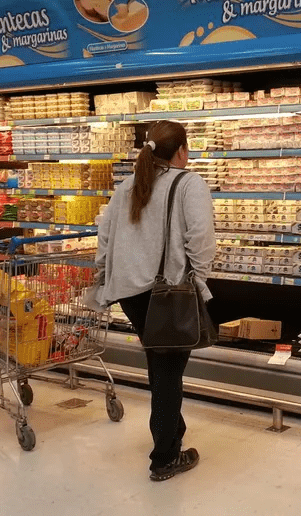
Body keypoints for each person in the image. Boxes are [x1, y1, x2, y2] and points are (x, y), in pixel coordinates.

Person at [94, 121, 215, 481]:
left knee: (160, 365)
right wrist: (198, 280)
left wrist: (104, 277)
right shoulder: (189, 184)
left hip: (129, 292)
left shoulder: (127, 186)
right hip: (169, 292)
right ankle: (164, 458)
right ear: (181, 151)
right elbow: (201, 238)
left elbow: (105, 237)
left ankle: (173, 432)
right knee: (167, 373)